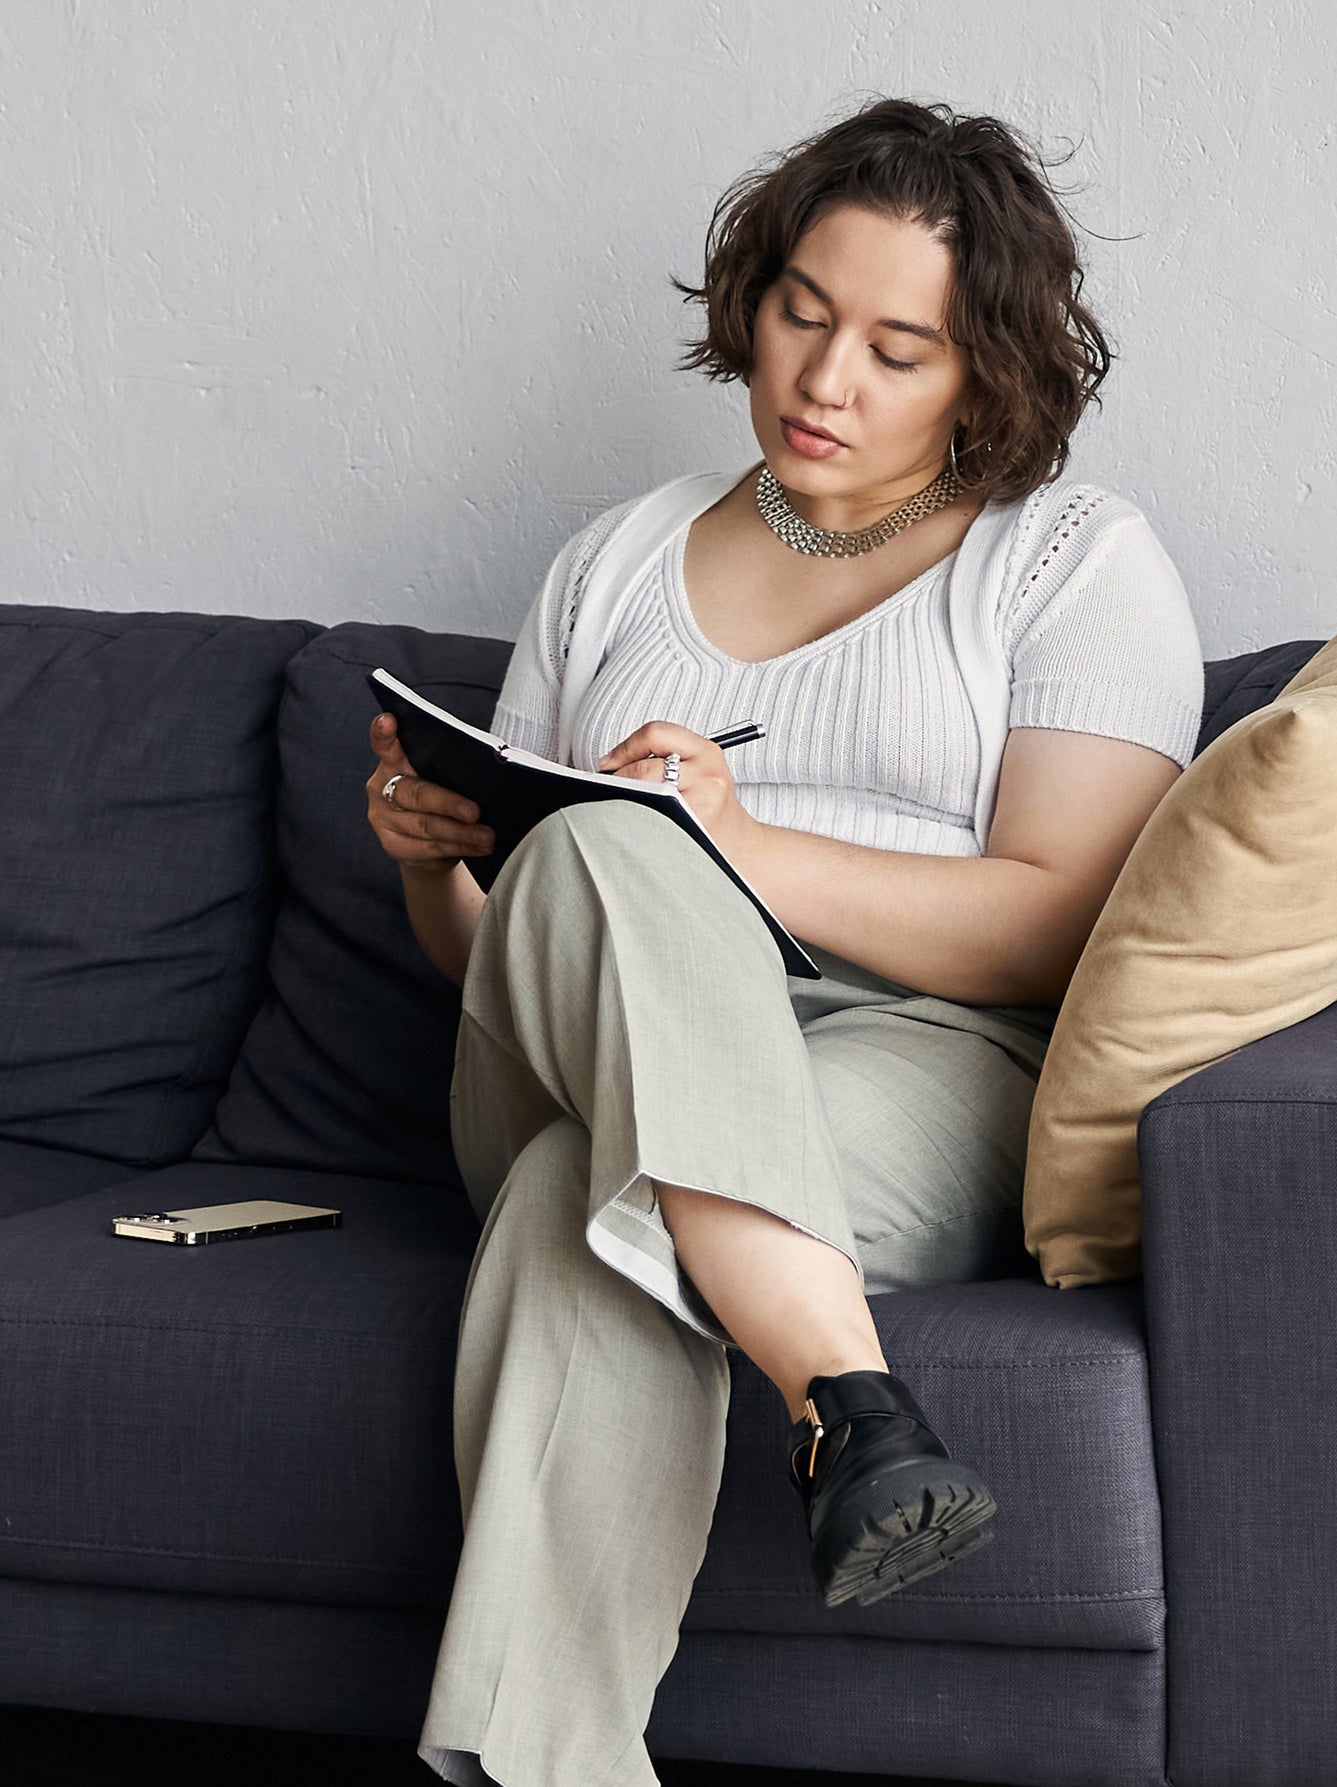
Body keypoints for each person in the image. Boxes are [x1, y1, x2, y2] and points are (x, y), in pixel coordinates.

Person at [361, 98, 1201, 1787]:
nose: (827, 380)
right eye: (804, 315)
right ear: (752, 296)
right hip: (569, 1047)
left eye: (901, 348)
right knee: (601, 841)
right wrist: (428, 867)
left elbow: (1057, 920)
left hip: (927, 1056)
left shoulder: (1071, 563)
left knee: (575, 1211)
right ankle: (851, 1406)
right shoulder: (614, 565)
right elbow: (501, 958)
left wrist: (744, 846)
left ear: (987, 370)